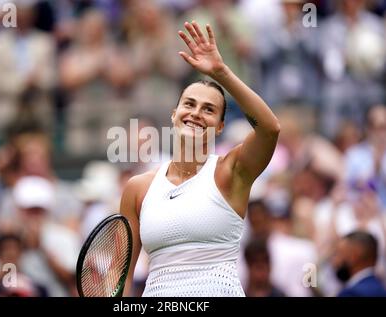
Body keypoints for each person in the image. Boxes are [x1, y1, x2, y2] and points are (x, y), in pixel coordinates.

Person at [120, 21, 280, 297]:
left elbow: (269, 129)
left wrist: (221, 72)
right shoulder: (138, 188)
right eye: (189, 104)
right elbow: (122, 275)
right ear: (174, 114)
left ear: (219, 126)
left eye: (209, 109)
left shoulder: (232, 171)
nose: (195, 113)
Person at [333, 231, 386, 297]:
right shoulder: (380, 289)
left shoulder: (352, 294)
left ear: (353, 256)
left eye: (339, 254)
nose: (334, 261)